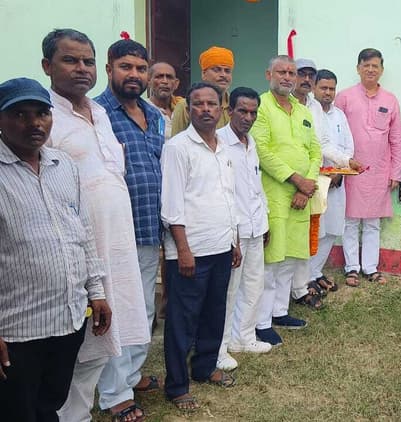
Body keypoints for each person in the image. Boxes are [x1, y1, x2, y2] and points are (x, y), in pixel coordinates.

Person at [40, 28, 150, 422]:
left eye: (87, 61)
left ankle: (80, 414)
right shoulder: (43, 116)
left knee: (104, 340)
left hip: (117, 246)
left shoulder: (100, 114)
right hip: (77, 251)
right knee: (76, 344)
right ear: (47, 66)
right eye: (70, 60)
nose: (81, 68)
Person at [0, 77, 111, 422]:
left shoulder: (64, 166)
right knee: (17, 411)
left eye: (42, 113)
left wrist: (96, 292)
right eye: (20, 114)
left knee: (50, 405)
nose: (34, 123)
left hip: (68, 319)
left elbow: (83, 233)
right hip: (17, 329)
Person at [92, 38, 166, 418]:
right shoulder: (97, 114)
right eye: (126, 67)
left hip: (149, 229)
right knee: (118, 314)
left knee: (143, 309)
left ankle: (132, 375)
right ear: (109, 69)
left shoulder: (154, 115)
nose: (134, 74)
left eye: (140, 68)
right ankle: (114, 393)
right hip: (115, 234)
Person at [161, 82, 241, 411]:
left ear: (221, 108)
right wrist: (182, 250)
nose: (206, 109)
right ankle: (177, 386)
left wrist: (234, 241)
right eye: (198, 104)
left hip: (221, 246)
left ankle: (205, 367)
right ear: (188, 109)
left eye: (212, 103)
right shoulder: (178, 148)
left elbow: (228, 197)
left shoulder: (224, 148)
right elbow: (171, 205)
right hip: (190, 252)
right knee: (182, 320)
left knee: (213, 312)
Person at [250, 55, 322, 346]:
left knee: (291, 257)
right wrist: (296, 180)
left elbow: (315, 152)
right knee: (271, 260)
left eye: (292, 73)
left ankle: (280, 312)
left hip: (301, 197)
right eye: (282, 72)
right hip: (275, 195)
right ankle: (262, 321)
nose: (288, 77)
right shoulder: (261, 106)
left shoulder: (303, 111)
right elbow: (262, 151)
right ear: (269, 74)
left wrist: (306, 187)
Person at [336, 48, 401, 286]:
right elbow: (334, 134)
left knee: (373, 222)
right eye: (366, 65)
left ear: (381, 70)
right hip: (351, 169)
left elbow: (396, 139)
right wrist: (338, 166)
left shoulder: (390, 100)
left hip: (379, 171)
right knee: (350, 220)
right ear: (358, 68)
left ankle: (370, 267)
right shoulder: (344, 98)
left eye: (375, 66)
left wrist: (396, 172)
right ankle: (352, 268)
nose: (371, 70)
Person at [216, 87, 272, 372]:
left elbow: (256, 187)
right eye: (242, 111)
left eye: (253, 112)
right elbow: (221, 193)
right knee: (228, 291)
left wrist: (265, 220)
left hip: (255, 226)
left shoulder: (251, 143)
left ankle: (244, 338)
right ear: (230, 111)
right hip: (232, 232)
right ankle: (219, 348)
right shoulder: (219, 143)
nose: (248, 117)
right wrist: (232, 235)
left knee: (253, 285)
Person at [307, 69, 359, 291]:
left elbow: (348, 147)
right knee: (314, 230)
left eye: (332, 88)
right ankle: (305, 278)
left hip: (337, 182)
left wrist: (338, 173)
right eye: (323, 88)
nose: (328, 92)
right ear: (314, 88)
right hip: (314, 182)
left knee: (332, 229)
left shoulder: (339, 116)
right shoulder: (307, 112)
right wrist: (322, 175)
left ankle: (315, 272)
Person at [171, 46, 234, 135]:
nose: (223, 75)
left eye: (227, 71)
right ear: (203, 74)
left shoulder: (235, 106)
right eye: (217, 70)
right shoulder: (185, 106)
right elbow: (176, 140)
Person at [147, 61, 182, 139]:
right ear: (149, 81)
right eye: (159, 77)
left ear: (176, 83)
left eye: (169, 77)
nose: (165, 81)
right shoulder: (143, 109)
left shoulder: (183, 109)